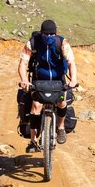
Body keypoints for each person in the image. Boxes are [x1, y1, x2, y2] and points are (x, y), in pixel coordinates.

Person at [18, 20, 78, 153]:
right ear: (41, 33)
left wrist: (73, 80)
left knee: (62, 103)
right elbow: (23, 63)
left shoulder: (62, 43)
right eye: (46, 34)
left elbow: (71, 63)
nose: (49, 37)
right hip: (39, 80)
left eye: (52, 34)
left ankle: (61, 128)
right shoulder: (32, 42)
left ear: (55, 33)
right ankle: (33, 141)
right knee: (36, 107)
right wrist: (24, 80)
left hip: (58, 80)